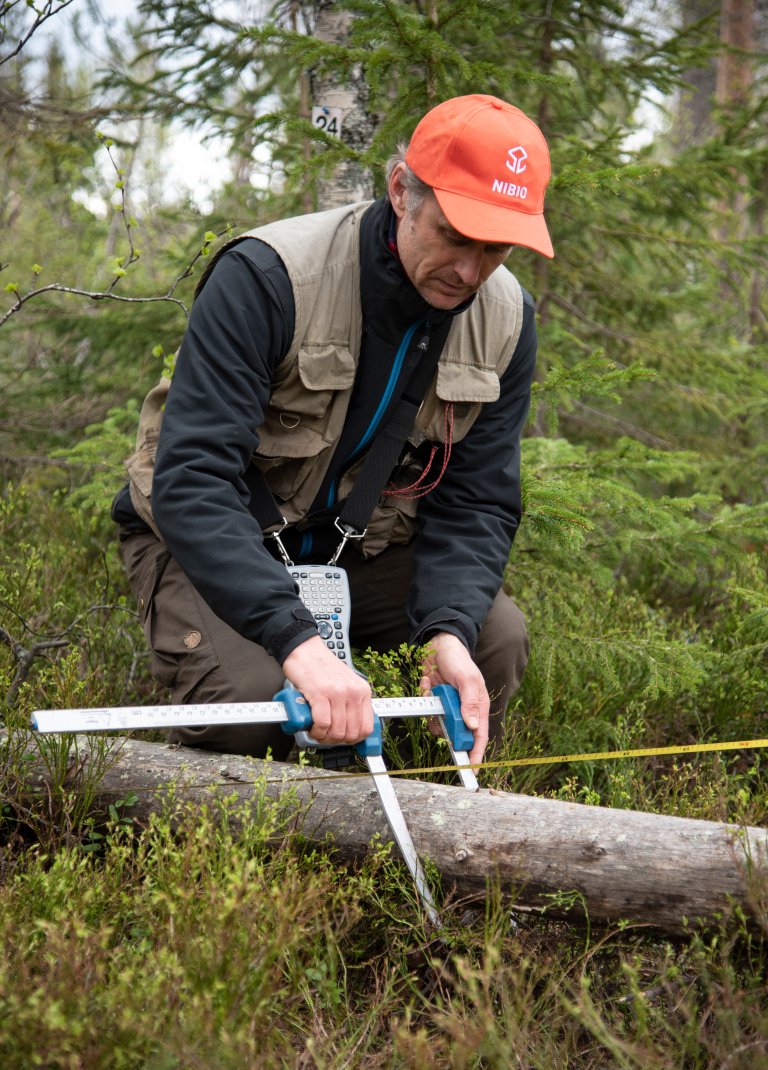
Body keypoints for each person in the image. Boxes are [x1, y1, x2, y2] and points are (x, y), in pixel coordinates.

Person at [111, 93, 554, 766]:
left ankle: (400, 805)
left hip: (363, 552)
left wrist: (448, 630)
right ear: (403, 190)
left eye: (495, 249)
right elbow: (193, 481)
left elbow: (477, 504)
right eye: (456, 236)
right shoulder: (265, 278)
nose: (470, 271)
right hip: (215, 537)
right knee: (249, 706)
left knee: (491, 641)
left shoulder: (506, 321)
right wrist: (297, 641)